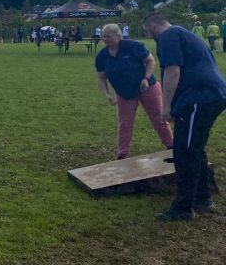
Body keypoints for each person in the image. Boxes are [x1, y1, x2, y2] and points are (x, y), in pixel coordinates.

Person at [143, 13, 226, 221]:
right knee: (194, 147)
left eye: (148, 32)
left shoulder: (168, 36)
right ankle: (202, 198)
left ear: (152, 27)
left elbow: (172, 71)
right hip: (212, 95)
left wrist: (166, 106)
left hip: (198, 97)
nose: (151, 36)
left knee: (184, 151)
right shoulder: (184, 33)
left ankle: (183, 208)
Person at [95, 24, 173, 160]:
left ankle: (171, 146)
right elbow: (101, 78)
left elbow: (150, 61)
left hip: (147, 87)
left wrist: (146, 78)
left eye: (109, 36)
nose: (106, 39)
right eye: (104, 36)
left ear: (118, 35)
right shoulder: (102, 56)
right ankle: (122, 153)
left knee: (158, 117)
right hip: (124, 93)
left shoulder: (133, 46)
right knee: (124, 123)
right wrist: (107, 94)